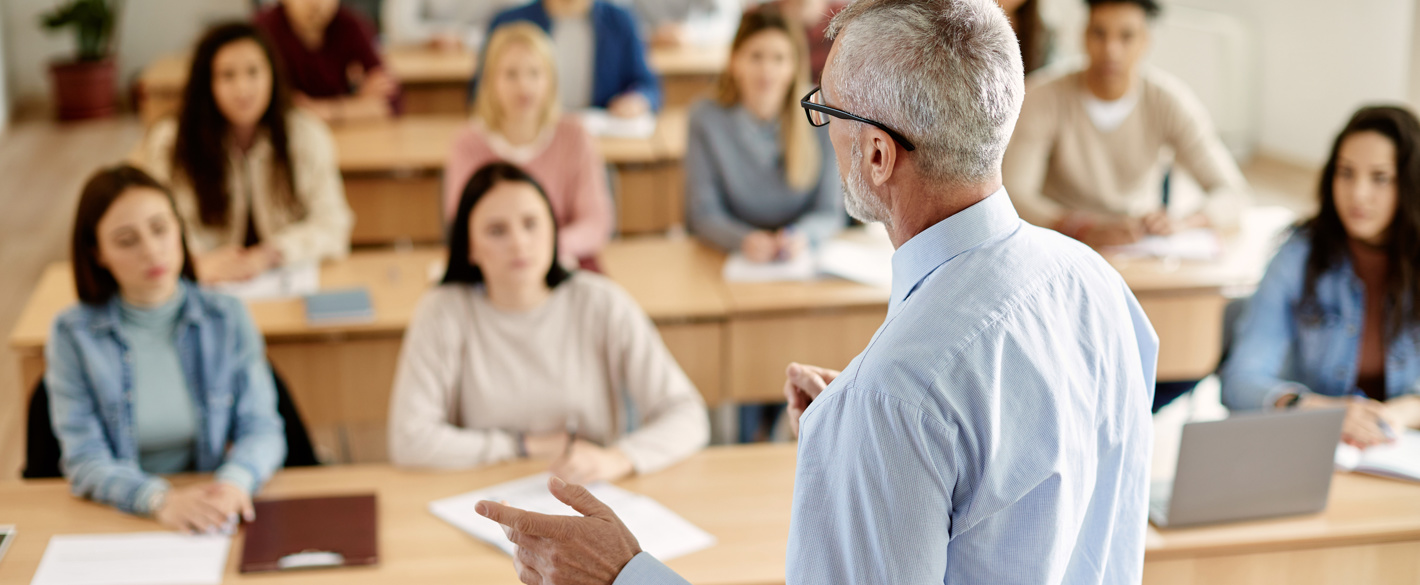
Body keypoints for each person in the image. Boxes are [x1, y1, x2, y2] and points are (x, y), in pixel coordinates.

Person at [476, 1, 1158, 584]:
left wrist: (625, 573)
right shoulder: (1097, 283)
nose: (821, 128)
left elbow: (927, 398)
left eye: (825, 109)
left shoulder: (896, 395)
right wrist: (875, 448)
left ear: (878, 156)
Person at [388, 162, 708, 482]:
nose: (519, 243)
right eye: (496, 231)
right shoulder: (443, 310)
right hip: (484, 491)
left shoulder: (600, 302)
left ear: (553, 229)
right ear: (469, 247)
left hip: (589, 492)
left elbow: (687, 414)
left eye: (531, 224)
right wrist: (523, 446)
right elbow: (409, 440)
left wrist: (618, 458)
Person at [45, 165, 286, 533]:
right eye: (127, 240)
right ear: (98, 253)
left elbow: (262, 427)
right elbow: (84, 459)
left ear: (180, 229)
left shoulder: (226, 316)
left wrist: (234, 482)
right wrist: (160, 501)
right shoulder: (72, 334)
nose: (152, 251)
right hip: (123, 512)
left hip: (212, 507)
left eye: (160, 229)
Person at [1222, 106, 1420, 448]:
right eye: (1346, 173)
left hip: (1399, 457)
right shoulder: (1298, 255)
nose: (1358, 193)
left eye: (1380, 177)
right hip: (1310, 451)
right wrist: (1317, 409)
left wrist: (1399, 414)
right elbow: (1241, 381)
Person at [1002, 0, 1249, 249]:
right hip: (1060, 242)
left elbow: (1232, 194)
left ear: (1146, 41)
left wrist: (1183, 223)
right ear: (1084, 36)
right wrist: (1079, 226)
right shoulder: (1042, 97)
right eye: (1099, 33)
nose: (1111, 50)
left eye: (1126, 36)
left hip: (1138, 245)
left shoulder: (1169, 102)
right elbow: (1014, 194)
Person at [131, 23, 353, 284]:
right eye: (227, 75)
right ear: (207, 83)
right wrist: (197, 262)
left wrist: (272, 253)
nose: (243, 89)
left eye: (253, 72)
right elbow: (154, 225)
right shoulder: (170, 142)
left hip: (283, 279)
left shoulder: (306, 134)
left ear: (272, 74)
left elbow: (334, 224)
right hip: (202, 281)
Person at [444, 23, 613, 265]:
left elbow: (596, 223)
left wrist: (543, 250)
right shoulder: (467, 144)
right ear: (491, 80)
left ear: (550, 80)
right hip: (495, 268)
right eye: (511, 74)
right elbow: (462, 226)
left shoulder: (575, 136)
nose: (523, 86)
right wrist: (514, 253)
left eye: (534, 73)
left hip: (563, 261)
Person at [686, 9, 842, 264]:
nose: (767, 71)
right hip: (730, 256)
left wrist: (802, 237)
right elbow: (703, 213)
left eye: (779, 58)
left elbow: (829, 212)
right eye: (756, 57)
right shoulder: (705, 118)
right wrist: (742, 240)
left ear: (794, 66)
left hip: (799, 257)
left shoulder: (820, 114)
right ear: (734, 62)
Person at [485, 0, 662, 117]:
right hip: (526, 135)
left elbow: (647, 84)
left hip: (598, 136)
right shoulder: (508, 23)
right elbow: (482, 91)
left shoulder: (620, 21)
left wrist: (638, 100)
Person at [255, 0, 401, 123]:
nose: (316, 4)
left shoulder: (350, 25)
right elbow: (272, 109)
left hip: (345, 140)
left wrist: (323, 111)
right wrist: (357, 106)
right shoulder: (262, 30)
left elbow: (391, 102)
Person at [381, 0, 525, 51]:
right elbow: (398, 28)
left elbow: (517, 24)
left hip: (478, 61)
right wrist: (436, 36)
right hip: (420, 61)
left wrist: (463, 38)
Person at [612, 0, 742, 48]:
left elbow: (729, 19)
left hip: (696, 60)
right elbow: (612, 15)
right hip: (646, 54)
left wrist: (690, 33)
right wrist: (650, 34)